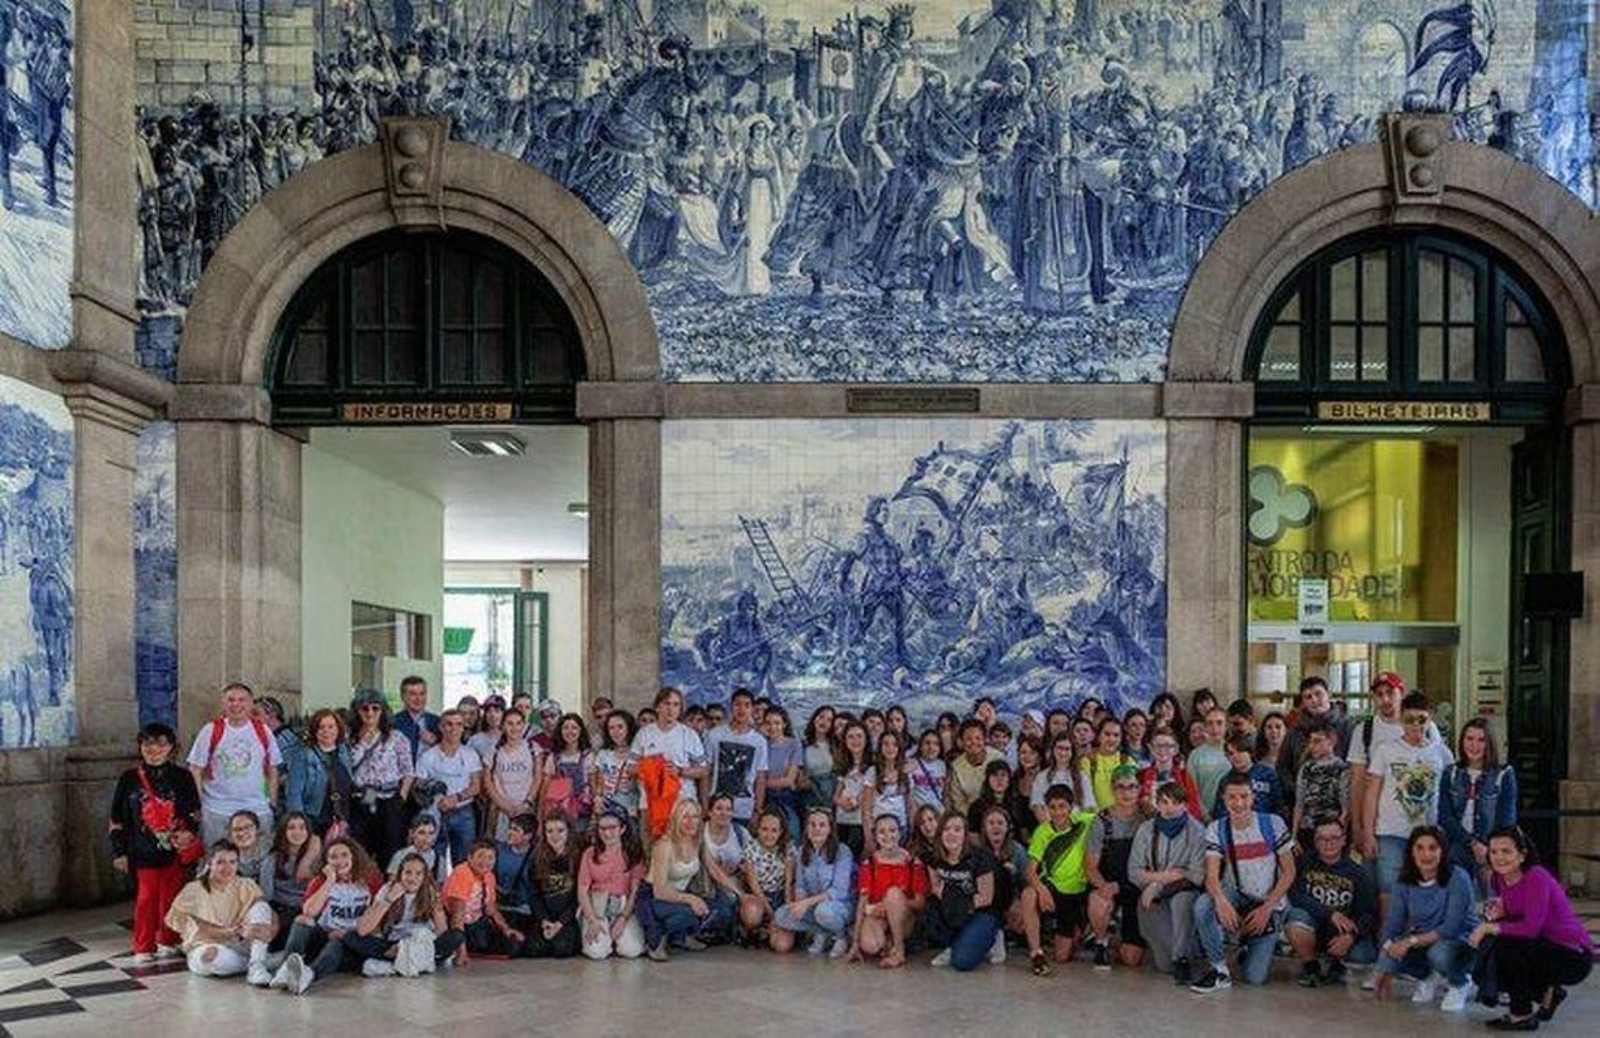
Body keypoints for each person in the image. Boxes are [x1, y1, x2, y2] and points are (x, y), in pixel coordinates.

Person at [1470, 825, 1594, 1030]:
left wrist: (1489, 927)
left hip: (1573, 955)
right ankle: (1546, 993)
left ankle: (1522, 1014)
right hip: (1543, 947)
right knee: (1497, 945)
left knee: (1506, 945)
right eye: (1494, 852)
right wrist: (1499, 915)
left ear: (1522, 855)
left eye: (1506, 851)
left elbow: (1530, 929)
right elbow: (1516, 917)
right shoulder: (1498, 878)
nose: (1499, 857)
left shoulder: (1537, 876)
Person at [1189, 772, 1296, 992]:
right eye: (1232, 797)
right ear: (1224, 799)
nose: (1239, 803)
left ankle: (1254, 942)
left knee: (1254, 978)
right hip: (1237, 893)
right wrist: (1220, 900)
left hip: (1269, 899)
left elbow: (1289, 872)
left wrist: (1267, 908)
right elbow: (1211, 875)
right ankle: (1220, 970)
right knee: (1203, 905)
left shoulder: (1273, 824)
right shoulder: (1216, 829)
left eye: (1244, 796)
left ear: (1253, 797)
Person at [110, 722, 202, 962]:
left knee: (171, 895)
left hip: (174, 848)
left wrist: (189, 832)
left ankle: (168, 940)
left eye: (161, 743)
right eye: (148, 743)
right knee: (146, 897)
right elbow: (117, 817)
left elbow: (194, 812)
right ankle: (143, 945)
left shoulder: (182, 777)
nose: (154, 749)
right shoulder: (128, 779)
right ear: (140, 746)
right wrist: (119, 851)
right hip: (140, 849)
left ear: (171, 747)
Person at [1362, 692, 1453, 909]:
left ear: (1430, 718)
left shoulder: (1442, 754)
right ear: (1401, 719)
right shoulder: (1385, 749)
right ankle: (1387, 942)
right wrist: (1367, 833)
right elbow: (1371, 793)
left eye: (1421, 719)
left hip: (1428, 836)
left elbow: (1450, 796)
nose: (1416, 725)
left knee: (1424, 894)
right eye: (1409, 719)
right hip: (1390, 833)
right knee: (1388, 895)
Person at [1373, 825, 1478, 1012]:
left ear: (1443, 851)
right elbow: (1392, 923)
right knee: (1392, 951)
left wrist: (1409, 942)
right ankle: (1427, 977)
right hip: (1425, 940)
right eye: (1419, 847)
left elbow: (1450, 928)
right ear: (1411, 852)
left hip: (1461, 941)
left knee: (1438, 953)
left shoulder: (1458, 877)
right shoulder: (1403, 880)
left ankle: (1459, 983)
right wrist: (1385, 964)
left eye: (1433, 847)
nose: (1426, 854)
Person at [270, 836, 383, 994]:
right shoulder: (320, 881)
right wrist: (330, 880)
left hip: (351, 940)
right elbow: (309, 912)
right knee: (302, 920)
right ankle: (286, 969)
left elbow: (377, 921)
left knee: (337, 944)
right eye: (333, 857)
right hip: (323, 935)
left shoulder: (370, 880)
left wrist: (347, 934)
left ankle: (308, 976)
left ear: (354, 857)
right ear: (326, 861)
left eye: (344, 855)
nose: (339, 861)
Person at [1348, 672, 1446, 849]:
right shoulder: (1364, 731)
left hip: (1425, 831)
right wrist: (1358, 826)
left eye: (1390, 692)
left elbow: (1441, 774)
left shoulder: (1430, 729)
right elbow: (1358, 783)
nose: (1385, 699)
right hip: (1385, 830)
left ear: (1401, 693)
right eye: (1379, 694)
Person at [165, 840, 277, 983]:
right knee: (210, 956)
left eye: (233, 862)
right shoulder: (194, 889)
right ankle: (264, 962)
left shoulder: (245, 884)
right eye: (220, 862)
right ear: (210, 864)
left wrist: (270, 930)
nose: (227, 868)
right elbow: (202, 929)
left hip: (241, 944)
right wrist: (237, 932)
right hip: (207, 945)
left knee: (261, 906)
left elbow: (267, 912)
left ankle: (256, 968)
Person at [1286, 816, 1377, 987]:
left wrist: (1351, 936)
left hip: (1341, 932)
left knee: (1364, 955)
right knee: (1295, 918)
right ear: (1315, 841)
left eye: (1334, 838)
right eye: (1322, 838)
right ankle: (1311, 966)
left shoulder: (1358, 873)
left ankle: (1337, 965)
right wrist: (1330, 914)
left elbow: (1368, 913)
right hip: (1313, 925)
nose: (1328, 843)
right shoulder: (1303, 863)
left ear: (1343, 840)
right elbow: (1294, 894)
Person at [1130, 781, 1207, 982]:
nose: (1169, 808)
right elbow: (1134, 872)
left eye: (1175, 802)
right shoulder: (1146, 830)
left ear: (1185, 805)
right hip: (1153, 898)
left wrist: (1156, 883)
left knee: (1183, 902)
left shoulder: (1197, 831)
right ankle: (1186, 949)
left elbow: (1197, 876)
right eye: (1164, 802)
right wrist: (1165, 877)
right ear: (1157, 804)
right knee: (1164, 966)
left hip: (1182, 893)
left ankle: (1182, 958)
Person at [642, 798, 738, 959]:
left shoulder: (697, 842)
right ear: (676, 819)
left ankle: (680, 936)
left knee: (723, 908)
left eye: (695, 817)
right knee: (691, 912)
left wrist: (741, 894)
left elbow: (715, 870)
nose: (690, 822)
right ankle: (657, 938)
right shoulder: (664, 845)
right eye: (685, 817)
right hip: (654, 897)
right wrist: (691, 899)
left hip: (678, 896)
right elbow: (659, 891)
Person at [187, 683, 282, 845]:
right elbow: (195, 769)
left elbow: (273, 768)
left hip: (257, 808)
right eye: (231, 700)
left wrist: (271, 802)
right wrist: (200, 804)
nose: (236, 704)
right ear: (223, 703)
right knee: (216, 861)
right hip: (217, 810)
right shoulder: (210, 730)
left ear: (251, 704)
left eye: (241, 700)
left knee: (258, 861)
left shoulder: (263, 731)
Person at [342, 852, 461, 977]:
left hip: (421, 942)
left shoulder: (429, 891)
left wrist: (436, 907)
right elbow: (363, 930)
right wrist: (389, 899)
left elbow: (442, 931)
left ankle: (398, 962)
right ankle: (415, 961)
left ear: (425, 876)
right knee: (350, 937)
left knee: (456, 936)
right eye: (408, 872)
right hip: (393, 944)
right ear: (400, 874)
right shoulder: (388, 889)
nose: (412, 878)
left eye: (418, 873)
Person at [1021, 783, 1096, 976]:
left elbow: (1110, 815)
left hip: (1077, 892)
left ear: (1071, 807)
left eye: (1062, 806)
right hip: (1052, 888)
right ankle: (1036, 953)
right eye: (1052, 807)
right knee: (1028, 895)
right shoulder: (1042, 832)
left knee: (1062, 957)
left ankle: (1082, 931)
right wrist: (1041, 889)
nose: (1057, 812)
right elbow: (1030, 870)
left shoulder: (1085, 822)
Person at [1439, 717, 1518, 891]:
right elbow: (1444, 816)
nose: (1474, 745)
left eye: (1481, 740)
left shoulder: (1504, 774)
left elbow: (1506, 820)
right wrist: (1472, 844)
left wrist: (1488, 850)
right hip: (1458, 846)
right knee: (1460, 900)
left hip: (1492, 848)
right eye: (1469, 738)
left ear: (1489, 743)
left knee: (1495, 903)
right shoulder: (1451, 773)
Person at [1085, 764, 1148, 970]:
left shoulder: (1148, 818)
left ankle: (1117, 934)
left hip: (1136, 889)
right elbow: (1090, 867)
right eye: (1121, 787)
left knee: (1131, 960)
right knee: (1098, 901)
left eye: (1131, 787)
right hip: (1110, 884)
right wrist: (1103, 886)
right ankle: (1101, 941)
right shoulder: (1101, 821)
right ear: (1113, 789)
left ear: (1139, 789)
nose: (1126, 792)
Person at [923, 812, 1003, 971]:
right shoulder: (934, 857)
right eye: (946, 829)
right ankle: (955, 943)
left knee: (962, 962)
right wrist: (953, 904)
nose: (951, 834)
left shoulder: (981, 857)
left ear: (965, 834)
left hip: (982, 911)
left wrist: (958, 904)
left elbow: (986, 897)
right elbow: (935, 888)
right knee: (929, 910)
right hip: (953, 907)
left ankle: (994, 937)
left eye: (957, 829)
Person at [847, 814, 927, 969]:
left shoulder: (912, 862)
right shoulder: (869, 863)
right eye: (882, 832)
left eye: (892, 830)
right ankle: (887, 945)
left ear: (899, 833)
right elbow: (862, 904)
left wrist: (892, 905)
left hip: (905, 918)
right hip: (878, 915)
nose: (888, 836)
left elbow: (920, 903)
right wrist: (855, 943)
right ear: (875, 836)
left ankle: (899, 951)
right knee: (870, 946)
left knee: (893, 894)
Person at [772, 808, 855, 957]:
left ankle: (841, 936)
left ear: (830, 829)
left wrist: (806, 903)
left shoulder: (842, 851)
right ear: (807, 828)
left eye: (822, 825)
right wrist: (799, 902)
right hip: (813, 904)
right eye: (812, 824)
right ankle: (822, 932)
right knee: (781, 915)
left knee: (823, 912)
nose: (817, 829)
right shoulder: (802, 851)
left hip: (838, 906)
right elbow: (800, 886)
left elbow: (838, 891)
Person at [348, 688, 415, 866]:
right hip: (361, 799)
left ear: (383, 711)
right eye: (365, 708)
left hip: (389, 799)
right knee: (360, 849)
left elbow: (408, 770)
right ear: (357, 711)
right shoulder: (349, 739)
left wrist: (402, 796)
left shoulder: (396, 738)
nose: (370, 713)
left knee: (391, 850)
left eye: (375, 708)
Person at [632, 687, 709, 840]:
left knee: (682, 854)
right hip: (650, 805)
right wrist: (653, 768)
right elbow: (631, 767)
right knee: (652, 854)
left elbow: (704, 770)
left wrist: (680, 771)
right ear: (657, 706)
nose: (671, 709)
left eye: (676, 705)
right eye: (667, 704)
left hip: (682, 804)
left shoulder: (689, 734)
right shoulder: (644, 734)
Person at [577, 809, 648, 960]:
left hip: (623, 906)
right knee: (597, 953)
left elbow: (635, 890)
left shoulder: (633, 853)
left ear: (622, 829)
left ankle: (618, 938)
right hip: (598, 906)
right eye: (602, 828)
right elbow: (582, 889)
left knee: (632, 951)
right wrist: (592, 920)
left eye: (612, 828)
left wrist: (623, 918)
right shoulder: (589, 853)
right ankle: (604, 938)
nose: (607, 834)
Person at [417, 708, 484, 865]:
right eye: (449, 724)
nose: (454, 729)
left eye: (458, 724)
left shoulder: (470, 754)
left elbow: (476, 786)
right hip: (435, 813)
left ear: (463, 728)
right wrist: (436, 798)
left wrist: (457, 797)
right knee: (433, 860)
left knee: (465, 862)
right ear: (441, 727)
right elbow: (418, 785)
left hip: (464, 813)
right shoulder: (428, 756)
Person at [442, 840, 524, 964]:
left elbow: (491, 908)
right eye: (480, 856)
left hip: (478, 922)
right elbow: (457, 916)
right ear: (470, 857)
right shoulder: (462, 873)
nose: (485, 861)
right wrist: (462, 953)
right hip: (458, 926)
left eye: (490, 857)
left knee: (516, 943)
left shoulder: (489, 876)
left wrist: (506, 929)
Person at [704, 687, 769, 826]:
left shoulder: (759, 741)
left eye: (747, 705)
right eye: (737, 704)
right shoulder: (714, 735)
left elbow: (761, 778)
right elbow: (706, 772)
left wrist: (757, 810)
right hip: (716, 807)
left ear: (752, 709)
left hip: (744, 809)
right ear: (731, 707)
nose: (742, 709)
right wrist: (705, 804)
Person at [284, 708, 353, 839]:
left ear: (338, 729)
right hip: (314, 818)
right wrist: (298, 823)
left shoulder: (344, 751)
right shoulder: (303, 754)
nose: (326, 731)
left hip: (340, 817)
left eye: (331, 726)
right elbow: (294, 792)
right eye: (321, 727)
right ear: (314, 731)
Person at [524, 816, 580, 958]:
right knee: (534, 950)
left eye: (560, 831)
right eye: (550, 831)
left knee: (562, 951)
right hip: (545, 916)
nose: (555, 836)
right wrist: (544, 920)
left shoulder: (577, 857)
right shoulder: (536, 857)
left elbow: (578, 897)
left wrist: (561, 923)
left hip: (567, 917)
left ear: (568, 832)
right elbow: (534, 894)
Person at [261, 812, 323, 938]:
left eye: (302, 827)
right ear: (284, 831)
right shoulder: (273, 859)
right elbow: (266, 894)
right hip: (281, 908)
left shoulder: (317, 858)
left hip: (308, 908)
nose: (297, 832)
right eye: (291, 827)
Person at [977, 804, 1029, 950]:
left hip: (1012, 898)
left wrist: (1019, 902)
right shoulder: (977, 851)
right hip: (986, 901)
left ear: (1007, 828)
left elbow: (1026, 882)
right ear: (985, 828)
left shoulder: (1017, 850)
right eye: (991, 823)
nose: (996, 827)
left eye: (1000, 823)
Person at [737, 807, 792, 946]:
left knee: (782, 946)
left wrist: (785, 913)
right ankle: (752, 930)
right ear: (758, 829)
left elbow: (788, 884)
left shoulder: (788, 849)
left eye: (774, 830)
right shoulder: (750, 848)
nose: (769, 835)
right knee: (752, 914)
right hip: (759, 896)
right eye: (764, 829)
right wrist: (771, 913)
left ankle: (770, 933)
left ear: (781, 832)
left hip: (779, 896)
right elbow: (754, 885)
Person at [483, 707, 539, 841]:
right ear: (503, 726)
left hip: (526, 808)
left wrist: (527, 802)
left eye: (519, 723)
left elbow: (538, 776)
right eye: (510, 723)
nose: (515, 728)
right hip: (501, 809)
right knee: (501, 845)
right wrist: (504, 805)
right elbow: (487, 780)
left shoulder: (533, 748)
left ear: (524, 725)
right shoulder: (493, 750)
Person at [1283, 676, 1354, 781]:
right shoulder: (1295, 731)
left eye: (1318, 694)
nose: (1314, 700)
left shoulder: (1347, 727)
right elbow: (1283, 767)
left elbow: (1355, 766)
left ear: (1329, 695)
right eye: (1308, 697)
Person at [1291, 716, 1350, 836]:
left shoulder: (1342, 768)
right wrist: (1294, 834)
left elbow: (1346, 808)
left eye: (1317, 741)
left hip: (1331, 829)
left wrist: (1338, 833)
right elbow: (1299, 804)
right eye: (1310, 741)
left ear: (1332, 741)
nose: (1312, 746)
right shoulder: (1306, 768)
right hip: (1307, 828)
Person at [1212, 730, 1286, 820]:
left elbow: (1279, 806)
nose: (1236, 756)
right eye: (1231, 754)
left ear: (1250, 752)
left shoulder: (1268, 775)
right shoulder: (1226, 780)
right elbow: (1219, 812)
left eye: (1240, 751)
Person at [538, 713, 593, 832]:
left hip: (581, 812)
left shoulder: (588, 756)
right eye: (566, 727)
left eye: (574, 727)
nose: (570, 731)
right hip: (558, 813)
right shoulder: (553, 757)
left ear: (580, 731)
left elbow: (593, 785)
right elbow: (545, 788)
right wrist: (540, 815)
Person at [491, 813, 538, 953]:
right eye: (510, 828)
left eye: (516, 830)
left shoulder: (535, 855)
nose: (510, 833)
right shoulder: (498, 850)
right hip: (500, 909)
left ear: (528, 836)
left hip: (523, 910)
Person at [832, 720, 876, 857]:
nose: (855, 741)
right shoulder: (844, 765)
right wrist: (841, 802)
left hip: (860, 824)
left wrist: (855, 802)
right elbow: (835, 795)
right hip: (841, 821)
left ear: (866, 739)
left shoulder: (873, 765)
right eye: (850, 736)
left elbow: (867, 797)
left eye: (859, 736)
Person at [592, 708, 640, 828]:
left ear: (628, 728)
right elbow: (599, 782)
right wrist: (597, 798)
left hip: (632, 809)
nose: (615, 731)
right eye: (611, 728)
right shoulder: (603, 754)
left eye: (620, 727)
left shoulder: (639, 754)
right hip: (608, 807)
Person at [1138, 728, 1202, 819]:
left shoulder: (1184, 777)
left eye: (1168, 746)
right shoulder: (1141, 776)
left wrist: (1177, 809)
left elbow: (1195, 810)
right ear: (1151, 748)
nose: (1162, 750)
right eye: (1158, 746)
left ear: (1176, 749)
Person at [760, 706, 803, 840]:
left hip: (786, 797)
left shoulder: (794, 745)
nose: (773, 727)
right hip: (763, 797)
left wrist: (760, 783)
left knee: (792, 834)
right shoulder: (760, 743)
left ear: (784, 724)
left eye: (777, 723)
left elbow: (789, 780)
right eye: (768, 723)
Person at [947, 719, 1003, 816]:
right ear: (961, 742)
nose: (973, 742)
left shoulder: (998, 757)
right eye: (968, 739)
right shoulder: (957, 766)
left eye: (978, 738)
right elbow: (959, 802)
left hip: (999, 813)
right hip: (971, 817)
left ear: (985, 739)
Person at [1186, 706, 1230, 820]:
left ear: (1226, 726)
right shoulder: (1195, 755)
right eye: (1210, 723)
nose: (1215, 728)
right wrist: (1205, 816)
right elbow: (1192, 791)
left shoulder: (1236, 751)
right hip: (1205, 818)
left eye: (1219, 723)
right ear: (1205, 727)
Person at [392, 675, 441, 766]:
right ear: (402, 696)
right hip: (403, 775)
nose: (418, 699)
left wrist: (435, 743)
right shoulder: (393, 723)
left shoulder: (437, 722)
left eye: (422, 694)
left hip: (432, 774)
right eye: (413, 694)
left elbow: (448, 752)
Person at [1032, 733, 1079, 824]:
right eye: (1059, 748)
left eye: (1067, 749)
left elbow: (1089, 807)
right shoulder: (1042, 777)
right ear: (1053, 750)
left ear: (1072, 752)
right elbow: (1037, 806)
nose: (1063, 752)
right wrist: (1051, 830)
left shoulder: (1082, 776)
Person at [872, 730, 912, 831]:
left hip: (901, 826)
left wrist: (911, 827)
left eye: (895, 744)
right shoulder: (873, 771)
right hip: (879, 827)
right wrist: (868, 835)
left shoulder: (905, 771)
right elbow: (866, 806)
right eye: (886, 744)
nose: (890, 748)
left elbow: (910, 803)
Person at [801, 706, 838, 812]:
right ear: (814, 719)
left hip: (829, 796)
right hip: (809, 796)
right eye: (821, 717)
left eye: (829, 720)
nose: (824, 722)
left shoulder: (835, 746)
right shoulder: (803, 744)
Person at [386, 814, 443, 882]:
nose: (427, 838)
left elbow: (440, 888)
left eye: (431, 833)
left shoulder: (439, 860)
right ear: (412, 833)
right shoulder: (400, 856)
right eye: (421, 833)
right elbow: (391, 884)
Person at [910, 729, 949, 813]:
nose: (931, 747)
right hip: (919, 813)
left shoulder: (942, 765)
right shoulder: (912, 764)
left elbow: (944, 794)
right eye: (927, 743)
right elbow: (910, 794)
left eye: (936, 744)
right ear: (920, 746)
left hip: (938, 813)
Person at [466, 695, 505, 763]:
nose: (493, 715)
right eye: (489, 711)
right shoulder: (475, 740)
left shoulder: (511, 739)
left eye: (497, 711)